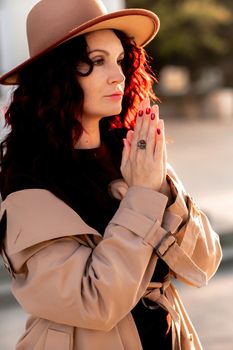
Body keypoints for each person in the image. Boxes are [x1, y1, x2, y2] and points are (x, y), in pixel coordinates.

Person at [0, 0, 222, 349]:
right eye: (97, 61)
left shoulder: (132, 152)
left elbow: (205, 262)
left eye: (119, 60)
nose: (118, 75)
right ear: (56, 74)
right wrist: (142, 197)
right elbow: (95, 302)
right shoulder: (28, 178)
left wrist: (163, 188)